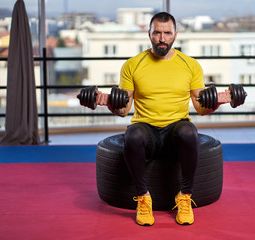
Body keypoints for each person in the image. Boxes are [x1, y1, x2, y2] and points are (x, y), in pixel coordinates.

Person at [96, 12, 231, 226]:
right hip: (146, 128)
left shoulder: (190, 65)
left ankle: (184, 197)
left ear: (175, 35)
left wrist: (221, 100)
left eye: (167, 33)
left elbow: (200, 107)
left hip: (176, 128)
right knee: (132, 134)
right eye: (157, 32)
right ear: (149, 33)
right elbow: (124, 109)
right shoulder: (132, 65)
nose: (162, 38)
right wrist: (109, 103)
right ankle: (143, 198)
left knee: (190, 131)